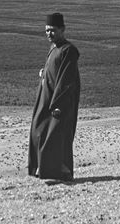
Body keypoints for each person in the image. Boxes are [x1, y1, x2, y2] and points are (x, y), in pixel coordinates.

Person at [28, 12, 81, 185]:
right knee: (39, 130)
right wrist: (44, 72)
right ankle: (43, 169)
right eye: (47, 31)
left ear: (62, 29)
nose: (49, 34)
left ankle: (61, 173)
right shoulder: (54, 47)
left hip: (60, 101)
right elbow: (53, 68)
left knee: (58, 136)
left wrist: (58, 104)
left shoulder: (69, 50)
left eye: (52, 30)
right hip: (46, 97)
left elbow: (66, 79)